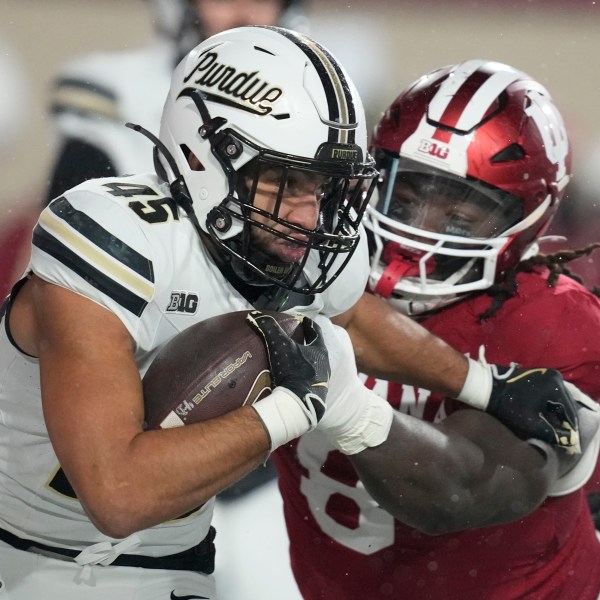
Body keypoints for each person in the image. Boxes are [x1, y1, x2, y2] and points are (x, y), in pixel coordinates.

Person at [0, 28, 595, 598]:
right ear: (208, 157)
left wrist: (482, 383)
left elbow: (356, 317)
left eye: (324, 185)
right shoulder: (111, 239)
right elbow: (118, 496)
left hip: (170, 561)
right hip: (21, 548)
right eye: (287, 180)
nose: (312, 216)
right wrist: (299, 405)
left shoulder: (295, 250)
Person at [273, 59, 600, 600]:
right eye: (402, 197)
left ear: (530, 220)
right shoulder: (305, 272)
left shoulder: (551, 322)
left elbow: (454, 492)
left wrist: (338, 397)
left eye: (458, 220)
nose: (415, 232)